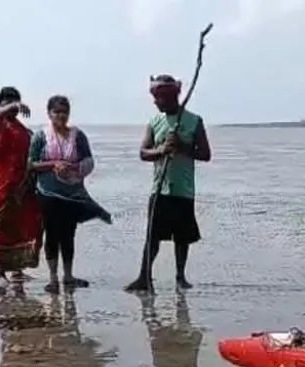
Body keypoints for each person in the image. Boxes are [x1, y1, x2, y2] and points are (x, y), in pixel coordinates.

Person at [124, 74, 212, 293]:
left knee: (182, 238)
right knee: (152, 236)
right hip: (159, 188)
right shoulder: (155, 122)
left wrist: (182, 146)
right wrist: (161, 150)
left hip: (183, 189)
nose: (155, 102)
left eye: (159, 98)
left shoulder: (194, 121)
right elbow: (143, 153)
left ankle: (180, 277)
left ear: (170, 96)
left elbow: (205, 154)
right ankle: (145, 277)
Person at [28, 95, 112, 294]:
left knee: (68, 235)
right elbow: (30, 164)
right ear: (49, 113)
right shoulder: (41, 136)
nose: (60, 116)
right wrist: (52, 164)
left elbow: (89, 161)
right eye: (56, 111)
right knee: (51, 235)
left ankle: (68, 275)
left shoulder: (78, 136)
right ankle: (52, 278)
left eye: (64, 112)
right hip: (47, 194)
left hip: (72, 194)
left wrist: (74, 169)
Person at [0, 86, 42, 289]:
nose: (13, 108)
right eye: (8, 103)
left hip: (23, 184)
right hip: (3, 185)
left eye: (15, 103)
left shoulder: (22, 129)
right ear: (1, 104)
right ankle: (0, 273)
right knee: (3, 226)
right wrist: (13, 105)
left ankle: (18, 269)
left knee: (26, 225)